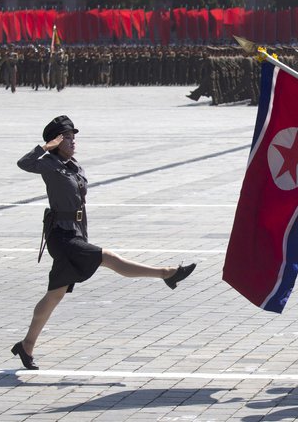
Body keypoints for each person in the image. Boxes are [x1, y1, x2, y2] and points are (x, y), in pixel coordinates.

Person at [12, 115, 196, 370]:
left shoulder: (74, 166)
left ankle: (26, 345)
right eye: (67, 137)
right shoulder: (48, 164)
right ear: (55, 141)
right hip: (61, 237)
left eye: (73, 137)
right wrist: (45, 147)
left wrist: (82, 236)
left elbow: (80, 205)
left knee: (54, 295)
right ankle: (166, 274)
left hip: (75, 233)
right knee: (107, 257)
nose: (72, 141)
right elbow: (24, 163)